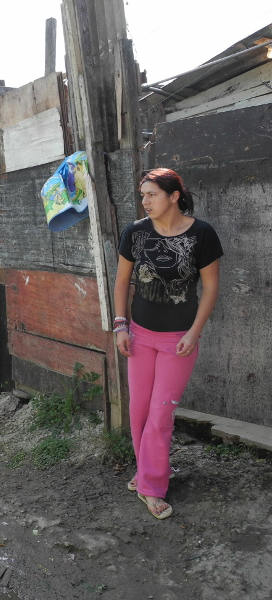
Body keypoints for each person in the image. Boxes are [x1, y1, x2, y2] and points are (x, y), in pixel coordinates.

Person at [114, 168, 222, 520]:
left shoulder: (202, 234)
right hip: (140, 336)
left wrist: (194, 332)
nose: (145, 201)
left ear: (174, 196)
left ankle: (151, 487)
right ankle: (146, 472)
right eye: (142, 195)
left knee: (160, 415)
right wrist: (121, 327)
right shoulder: (135, 233)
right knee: (139, 412)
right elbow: (121, 284)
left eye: (152, 194)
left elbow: (210, 288)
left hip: (178, 341)